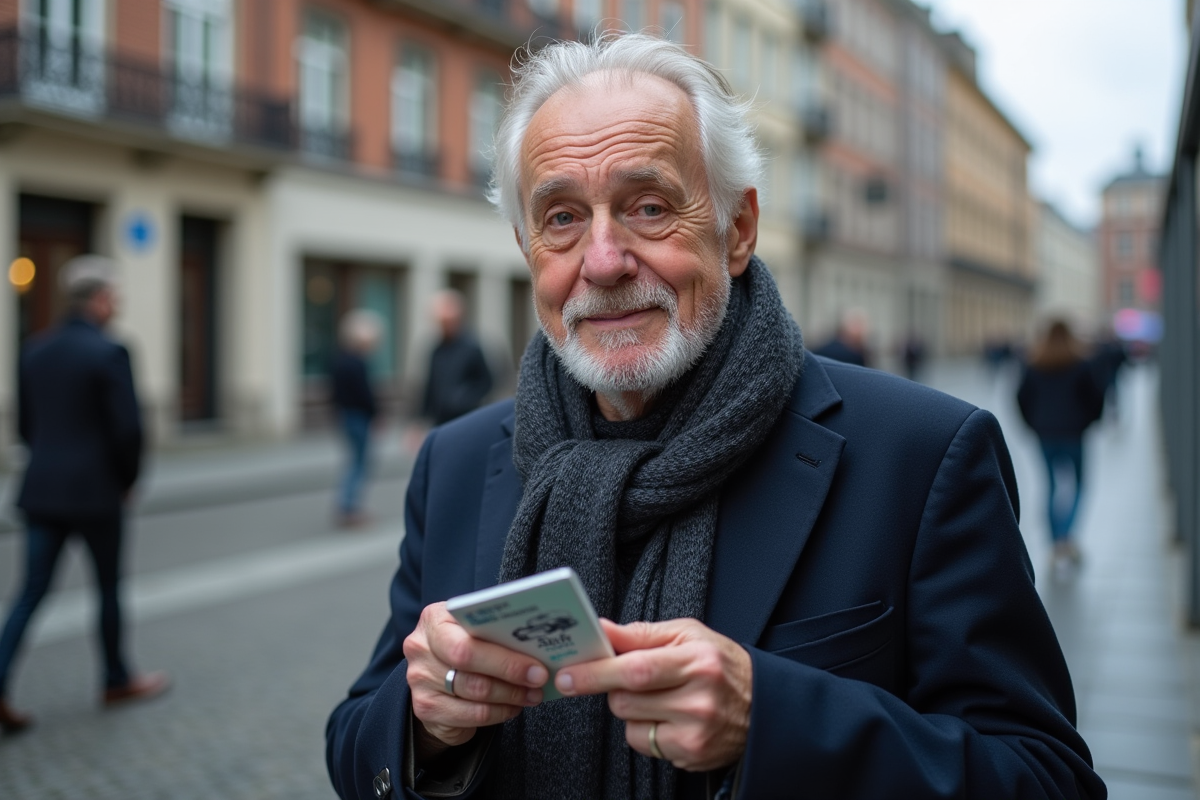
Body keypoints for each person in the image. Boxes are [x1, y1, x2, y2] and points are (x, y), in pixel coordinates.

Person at [327, 34, 1103, 800]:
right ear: (528, 247)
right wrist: (425, 723)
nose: (602, 261)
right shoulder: (458, 463)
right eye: (561, 218)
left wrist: (773, 722)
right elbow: (360, 739)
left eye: (650, 206)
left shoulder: (922, 454)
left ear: (737, 229)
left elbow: (1043, 776)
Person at [0, 255, 168, 735]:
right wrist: (128, 479)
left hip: (42, 489)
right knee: (108, 587)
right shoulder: (110, 351)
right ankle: (115, 678)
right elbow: (128, 430)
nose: (117, 305)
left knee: (30, 592)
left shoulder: (34, 349)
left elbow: (27, 425)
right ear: (98, 298)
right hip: (97, 493)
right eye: (115, 296)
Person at [1017, 319, 1106, 578]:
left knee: (1050, 487)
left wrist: (1033, 424)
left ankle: (1055, 543)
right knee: (1079, 485)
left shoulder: (1034, 363)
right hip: (1074, 433)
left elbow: (1021, 398)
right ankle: (1066, 538)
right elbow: (1096, 398)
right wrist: (1088, 421)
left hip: (1045, 433)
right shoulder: (1080, 364)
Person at [331, 310, 383, 528]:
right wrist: (376, 414)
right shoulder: (357, 363)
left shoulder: (340, 360)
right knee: (360, 463)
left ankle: (347, 505)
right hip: (359, 416)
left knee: (354, 461)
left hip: (345, 416)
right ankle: (350, 506)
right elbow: (365, 394)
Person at [420, 290, 494, 426]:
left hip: (465, 419)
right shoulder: (436, 350)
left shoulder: (471, 347)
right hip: (440, 420)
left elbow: (487, 382)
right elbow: (430, 387)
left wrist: (463, 398)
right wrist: (420, 419)